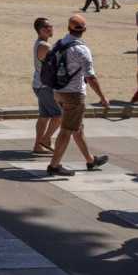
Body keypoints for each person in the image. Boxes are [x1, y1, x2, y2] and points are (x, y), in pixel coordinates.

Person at [46, 15, 110, 176]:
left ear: (68, 28)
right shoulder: (82, 49)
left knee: (77, 127)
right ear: (85, 30)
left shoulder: (60, 43)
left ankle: (90, 160)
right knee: (67, 130)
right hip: (74, 95)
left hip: (58, 92)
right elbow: (90, 77)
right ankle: (54, 165)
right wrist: (102, 96)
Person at [32, 18, 60, 154]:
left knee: (44, 116)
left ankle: (38, 146)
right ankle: (45, 139)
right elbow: (55, 65)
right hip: (44, 86)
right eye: (49, 27)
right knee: (59, 115)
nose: (51, 29)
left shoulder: (41, 43)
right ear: (42, 30)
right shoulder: (44, 46)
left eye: (51, 26)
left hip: (39, 84)